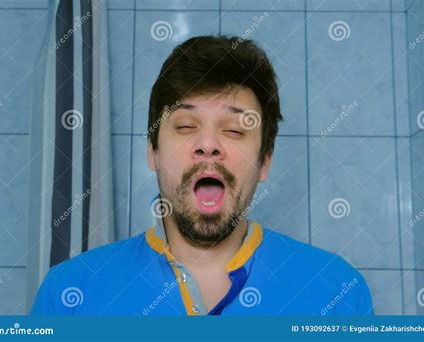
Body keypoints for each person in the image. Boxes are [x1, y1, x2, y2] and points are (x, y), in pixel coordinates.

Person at [31, 35, 373, 316]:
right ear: (153, 153)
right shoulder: (68, 293)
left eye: (235, 131)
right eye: (184, 126)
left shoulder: (338, 291)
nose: (208, 145)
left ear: (265, 162)